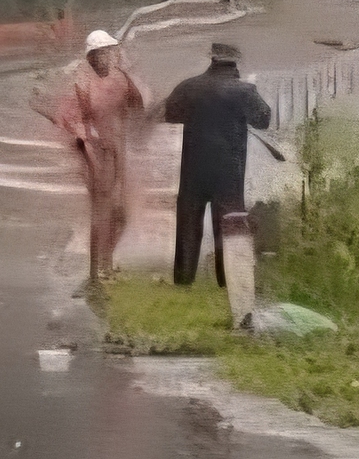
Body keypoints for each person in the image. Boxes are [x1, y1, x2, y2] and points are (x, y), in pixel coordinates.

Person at [160, 41, 270, 287]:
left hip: (194, 171)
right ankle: (225, 281)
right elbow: (264, 120)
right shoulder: (245, 91)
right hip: (228, 173)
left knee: (188, 227)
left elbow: (170, 114)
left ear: (212, 61)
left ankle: (183, 281)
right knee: (228, 227)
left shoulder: (189, 87)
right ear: (235, 64)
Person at [50, 29, 146, 286]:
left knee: (120, 214)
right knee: (102, 213)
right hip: (96, 155)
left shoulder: (121, 78)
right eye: (100, 54)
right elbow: (76, 122)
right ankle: (97, 270)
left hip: (117, 152)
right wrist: (90, 153)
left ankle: (106, 262)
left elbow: (138, 107)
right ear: (90, 57)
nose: (105, 58)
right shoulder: (83, 84)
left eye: (108, 52)